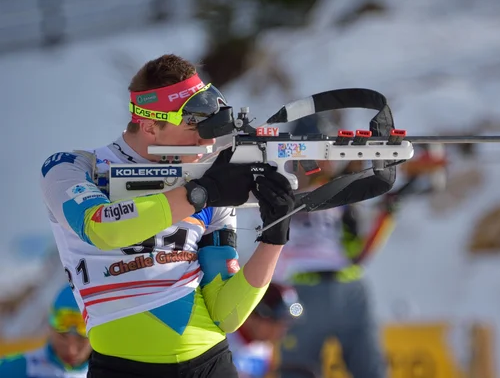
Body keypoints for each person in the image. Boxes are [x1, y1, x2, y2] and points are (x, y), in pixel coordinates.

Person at [38, 54, 296, 378]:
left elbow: (226, 314)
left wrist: (275, 237)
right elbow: (102, 228)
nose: (208, 140)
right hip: (121, 368)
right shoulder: (72, 168)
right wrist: (200, 193)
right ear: (149, 125)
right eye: (194, 125)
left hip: (210, 363)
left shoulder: (207, 181)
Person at [275, 117, 447, 378]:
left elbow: (359, 250)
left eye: (326, 151)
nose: (321, 161)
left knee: (368, 369)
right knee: (296, 369)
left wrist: (389, 206)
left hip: (342, 291)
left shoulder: (338, 191)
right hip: (302, 295)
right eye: (312, 152)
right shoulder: (280, 188)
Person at [0, 283, 91, 377]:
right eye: (63, 336)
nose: (71, 350)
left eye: (81, 339)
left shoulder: (104, 372)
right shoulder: (16, 369)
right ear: (50, 328)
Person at [227, 282, 304, 378]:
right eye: (275, 324)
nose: (280, 333)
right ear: (254, 314)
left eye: (285, 326)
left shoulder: (266, 350)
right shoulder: (221, 337)